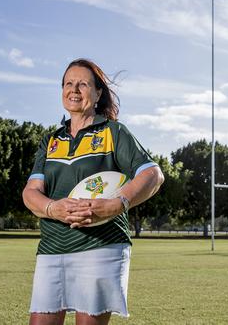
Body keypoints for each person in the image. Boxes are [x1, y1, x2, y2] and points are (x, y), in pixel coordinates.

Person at [23, 58, 164, 325]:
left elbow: (152, 174)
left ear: (98, 93)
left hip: (100, 247)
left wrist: (117, 204)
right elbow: (31, 193)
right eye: (68, 83)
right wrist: (53, 208)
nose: (74, 90)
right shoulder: (51, 140)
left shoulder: (114, 132)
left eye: (83, 84)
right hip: (52, 248)